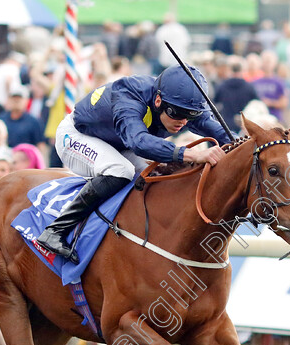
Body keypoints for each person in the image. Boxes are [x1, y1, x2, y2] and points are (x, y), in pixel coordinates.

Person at [36, 64, 232, 263]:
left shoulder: (182, 105)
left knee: (159, 176)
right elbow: (138, 142)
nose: (183, 121)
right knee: (121, 170)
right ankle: (55, 230)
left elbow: (221, 134)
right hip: (77, 135)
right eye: (178, 113)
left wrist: (247, 146)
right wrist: (191, 154)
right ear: (158, 101)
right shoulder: (129, 95)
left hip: (117, 142)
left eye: (191, 115)